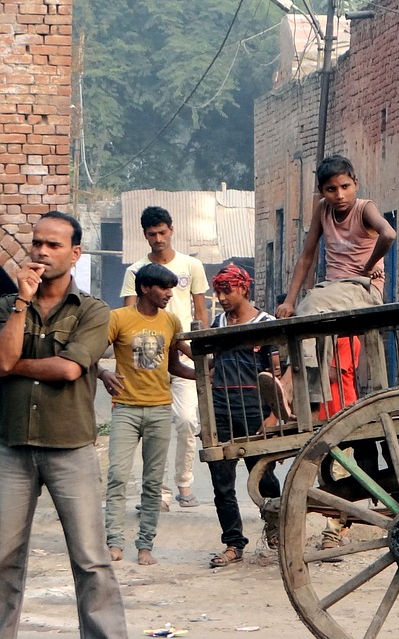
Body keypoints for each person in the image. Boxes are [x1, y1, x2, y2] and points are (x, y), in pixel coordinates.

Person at [0, 211, 132, 639]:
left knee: (91, 559)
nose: (41, 252)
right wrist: (21, 302)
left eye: (53, 245)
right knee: (3, 556)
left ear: (75, 253)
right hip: (12, 447)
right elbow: (1, 357)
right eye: (36, 243)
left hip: (69, 448)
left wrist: (16, 366)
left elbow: (70, 370)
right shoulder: (7, 305)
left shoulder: (94, 311)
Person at [276, 154, 396, 412]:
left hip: (364, 290)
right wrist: (288, 300)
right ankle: (309, 399)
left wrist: (368, 266)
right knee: (308, 315)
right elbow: (307, 256)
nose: (339, 195)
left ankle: (287, 385)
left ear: (355, 183)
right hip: (333, 292)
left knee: (311, 306)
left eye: (345, 187)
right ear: (321, 191)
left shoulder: (365, 208)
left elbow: (389, 234)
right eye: (331, 189)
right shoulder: (322, 210)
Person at [100, 263, 195, 565]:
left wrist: (205, 373)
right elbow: (87, 355)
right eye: (163, 288)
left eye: (171, 288)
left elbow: (176, 365)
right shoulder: (118, 318)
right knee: (117, 476)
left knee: (153, 482)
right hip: (125, 408)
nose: (169, 294)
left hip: (159, 408)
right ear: (145, 288)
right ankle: (114, 542)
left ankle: (145, 546)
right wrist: (103, 374)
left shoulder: (171, 321)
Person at [121, 205, 209, 509]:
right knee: (152, 424)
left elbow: (201, 311)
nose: (158, 238)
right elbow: (129, 315)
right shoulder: (135, 271)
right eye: (152, 234)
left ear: (171, 230)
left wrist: (203, 351)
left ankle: (184, 482)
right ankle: (157, 492)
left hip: (183, 351)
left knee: (186, 421)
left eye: (162, 232)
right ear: (144, 236)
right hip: (147, 352)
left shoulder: (191, 266)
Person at [206, 264, 281, 566]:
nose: (222, 297)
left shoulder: (266, 323)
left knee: (263, 475)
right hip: (221, 412)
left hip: (255, 412)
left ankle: (276, 528)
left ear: (243, 289)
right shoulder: (217, 322)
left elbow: (277, 374)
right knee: (222, 483)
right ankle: (233, 543)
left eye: (227, 290)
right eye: (219, 291)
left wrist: (274, 417)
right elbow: (209, 369)